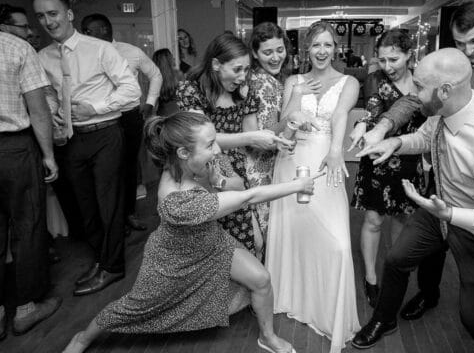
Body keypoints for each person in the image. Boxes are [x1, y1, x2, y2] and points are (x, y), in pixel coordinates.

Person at [61, 112, 320, 353]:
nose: (217, 149)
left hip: (211, 240)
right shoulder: (177, 202)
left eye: (214, 141)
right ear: (184, 152)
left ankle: (267, 336)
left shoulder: (186, 162)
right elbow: (247, 196)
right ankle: (82, 337)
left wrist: (218, 175)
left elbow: (230, 175)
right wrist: (297, 185)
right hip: (174, 260)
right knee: (132, 307)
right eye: (210, 145)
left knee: (261, 279)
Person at [358, 0, 474, 321]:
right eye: (460, 43)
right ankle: (416, 302)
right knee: (410, 258)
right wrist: (390, 135)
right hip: (440, 188)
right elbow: (419, 111)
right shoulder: (443, 74)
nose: (468, 51)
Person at [34, 0, 141, 296]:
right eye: (41, 16)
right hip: (70, 139)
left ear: (68, 14)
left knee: (109, 203)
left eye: (53, 13)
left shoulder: (100, 49)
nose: (47, 21)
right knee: (85, 207)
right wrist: (55, 115)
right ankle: (101, 259)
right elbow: (53, 94)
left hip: (106, 133)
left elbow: (131, 90)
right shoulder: (43, 57)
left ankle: (113, 267)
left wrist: (96, 108)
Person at [266, 21, 361, 353]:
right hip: (291, 161)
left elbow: (341, 116)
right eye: (316, 45)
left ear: (336, 48)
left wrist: (336, 152)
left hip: (325, 159)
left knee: (336, 241)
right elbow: (282, 124)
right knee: (294, 227)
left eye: (328, 45)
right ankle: (292, 296)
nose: (322, 51)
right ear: (306, 49)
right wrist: (297, 95)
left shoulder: (347, 82)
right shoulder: (293, 80)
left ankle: (327, 309)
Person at [176, 32, 290, 255]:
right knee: (209, 248)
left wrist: (278, 137)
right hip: (202, 173)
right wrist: (251, 137)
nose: (242, 76)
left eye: (246, 70)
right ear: (216, 64)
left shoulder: (244, 92)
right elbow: (203, 141)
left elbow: (253, 138)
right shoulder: (191, 91)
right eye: (237, 69)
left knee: (254, 241)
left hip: (235, 173)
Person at [347, 28, 427, 308]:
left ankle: (395, 272)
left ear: (409, 55)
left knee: (404, 222)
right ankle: (370, 278)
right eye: (382, 60)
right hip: (378, 161)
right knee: (374, 221)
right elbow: (372, 109)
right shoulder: (374, 80)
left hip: (410, 159)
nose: (387, 67)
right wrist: (362, 124)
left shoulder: (422, 82)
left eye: (394, 59)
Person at [0, 31, 62, 340]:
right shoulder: (15, 47)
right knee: (28, 225)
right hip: (12, 149)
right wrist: (48, 155)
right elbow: (38, 110)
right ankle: (25, 309)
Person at [80, 13, 163, 232]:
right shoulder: (83, 54)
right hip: (97, 119)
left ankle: (128, 214)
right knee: (106, 171)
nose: (84, 35)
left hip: (127, 117)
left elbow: (155, 74)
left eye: (88, 31)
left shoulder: (131, 52)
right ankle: (107, 221)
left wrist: (150, 102)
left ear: (104, 30)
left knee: (126, 167)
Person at [243, 22, 289, 251]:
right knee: (263, 238)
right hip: (261, 169)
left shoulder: (251, 77)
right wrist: (295, 117)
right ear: (254, 53)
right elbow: (268, 137)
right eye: (267, 52)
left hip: (250, 167)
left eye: (279, 50)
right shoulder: (267, 84)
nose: (275, 57)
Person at [152, 48, 182, 116]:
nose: (173, 58)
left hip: (162, 114)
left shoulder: (154, 78)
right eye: (171, 56)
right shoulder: (178, 75)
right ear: (168, 60)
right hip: (178, 113)